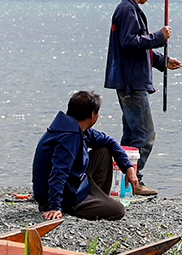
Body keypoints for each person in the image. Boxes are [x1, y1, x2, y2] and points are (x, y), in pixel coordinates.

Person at [104, 0, 181, 198]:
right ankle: (134, 182)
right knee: (145, 136)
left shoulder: (129, 8)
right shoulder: (128, 10)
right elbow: (130, 42)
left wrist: (161, 61)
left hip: (128, 81)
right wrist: (159, 37)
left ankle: (119, 182)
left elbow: (137, 47)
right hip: (132, 84)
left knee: (129, 138)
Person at [32, 90, 138, 221]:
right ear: (93, 114)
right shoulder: (69, 136)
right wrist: (54, 206)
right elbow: (59, 172)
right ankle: (79, 205)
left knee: (103, 151)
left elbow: (109, 141)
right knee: (118, 210)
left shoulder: (77, 128)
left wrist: (128, 167)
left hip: (75, 183)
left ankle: (97, 199)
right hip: (62, 196)